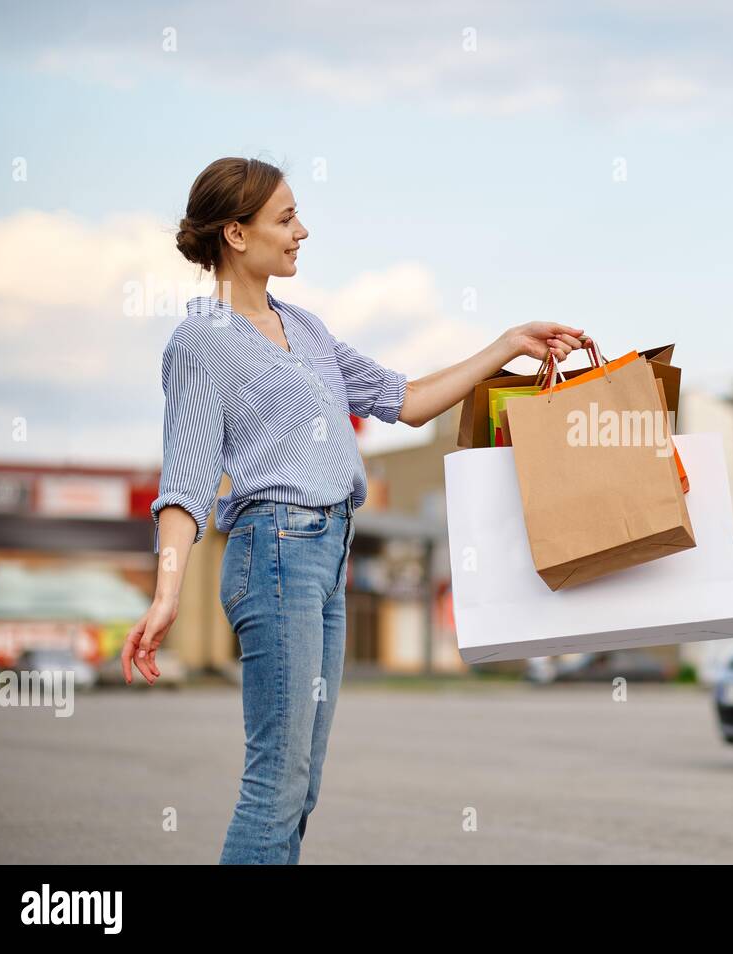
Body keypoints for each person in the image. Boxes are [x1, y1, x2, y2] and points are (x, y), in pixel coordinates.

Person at [121, 156, 585, 864]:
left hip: (327, 554)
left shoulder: (304, 328)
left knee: (300, 785)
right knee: (276, 782)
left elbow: (404, 400)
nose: (302, 231)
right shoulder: (199, 344)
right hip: (274, 553)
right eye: (285, 218)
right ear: (237, 235)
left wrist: (505, 347)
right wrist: (166, 592)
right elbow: (184, 485)